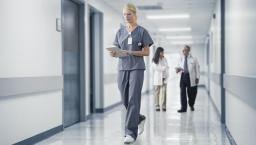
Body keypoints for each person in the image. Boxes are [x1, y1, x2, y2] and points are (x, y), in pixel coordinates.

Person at [108, 3, 154, 144]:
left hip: (137, 68)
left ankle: (130, 133)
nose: (127, 17)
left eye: (129, 14)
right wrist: (114, 53)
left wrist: (131, 52)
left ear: (135, 14)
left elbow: (147, 52)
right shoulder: (120, 32)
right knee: (125, 98)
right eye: (124, 14)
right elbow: (116, 48)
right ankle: (138, 118)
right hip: (122, 67)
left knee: (134, 98)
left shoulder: (142, 31)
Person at [175, 45, 200, 113]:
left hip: (190, 77)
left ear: (189, 50)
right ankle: (183, 108)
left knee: (191, 93)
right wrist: (177, 69)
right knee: (182, 93)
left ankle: (191, 104)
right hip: (183, 76)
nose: (183, 51)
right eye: (183, 50)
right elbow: (178, 66)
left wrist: (197, 77)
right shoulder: (181, 58)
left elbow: (197, 69)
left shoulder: (194, 58)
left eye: (185, 50)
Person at [152, 47, 169, 112]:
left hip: (164, 77)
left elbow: (166, 68)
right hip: (157, 78)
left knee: (164, 92)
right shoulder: (154, 59)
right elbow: (157, 68)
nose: (163, 53)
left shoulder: (165, 59)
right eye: (162, 52)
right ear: (158, 52)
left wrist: (165, 69)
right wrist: (164, 68)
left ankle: (164, 106)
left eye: (163, 52)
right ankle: (157, 106)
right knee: (157, 92)